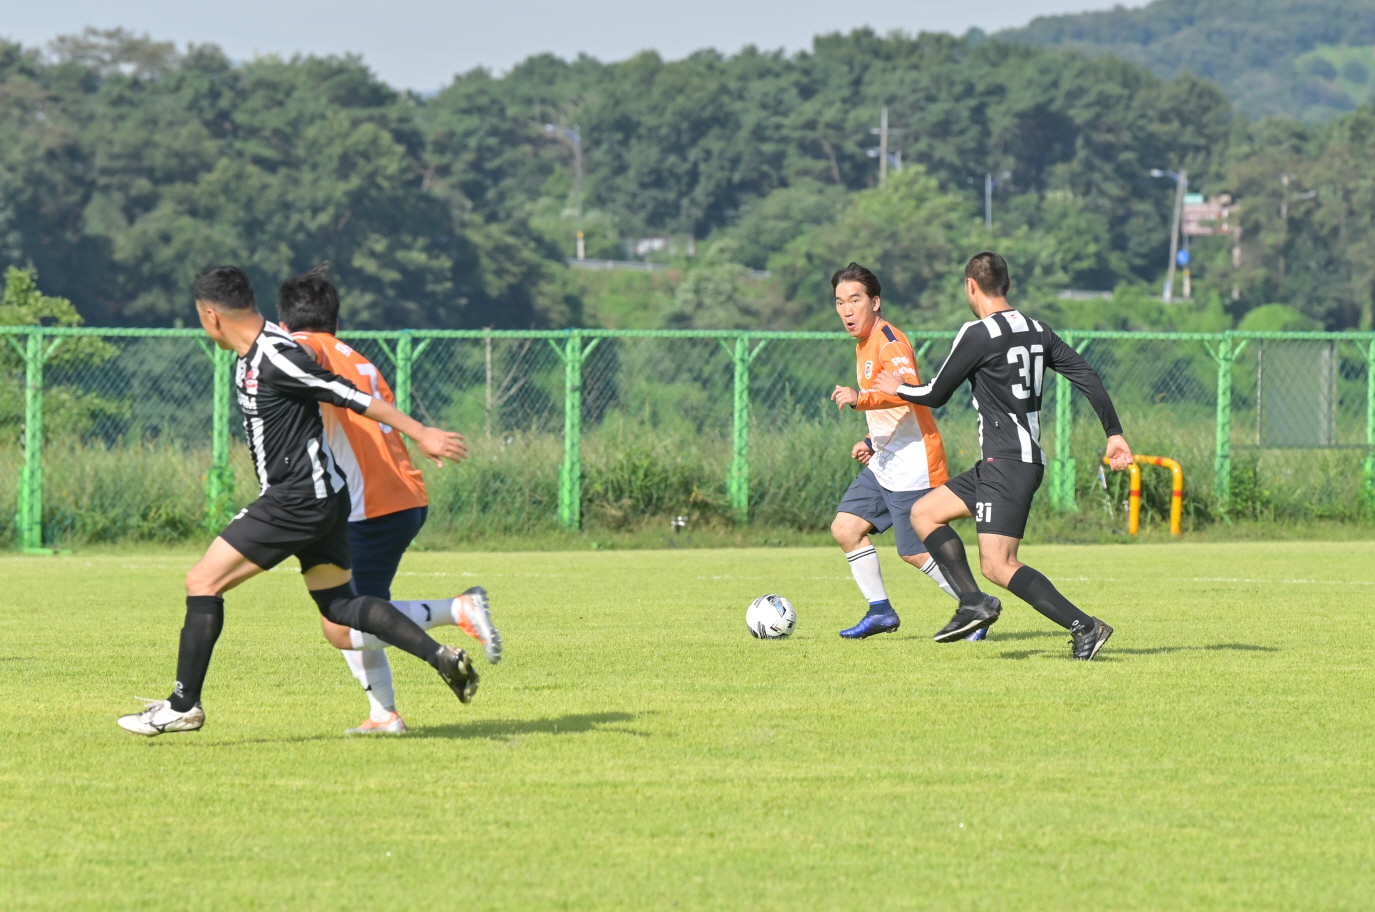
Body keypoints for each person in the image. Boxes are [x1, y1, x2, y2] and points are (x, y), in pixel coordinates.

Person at [118, 266, 478, 737]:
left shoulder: (276, 355)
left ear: (211, 316)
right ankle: (441, 657)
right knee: (340, 607)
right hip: (322, 499)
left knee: (203, 581)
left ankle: (183, 705)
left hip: (297, 499)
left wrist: (422, 432)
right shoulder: (256, 352)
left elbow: (350, 396)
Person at [873, 252, 1133, 660]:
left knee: (999, 564)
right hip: (1003, 463)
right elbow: (1086, 374)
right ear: (1007, 285)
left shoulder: (977, 334)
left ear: (970, 286)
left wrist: (898, 387)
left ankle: (1085, 626)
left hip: (1007, 465)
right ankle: (972, 603)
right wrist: (1114, 433)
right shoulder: (1038, 330)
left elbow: (936, 394)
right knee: (924, 514)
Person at [277, 265, 502, 736]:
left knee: (341, 623)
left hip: (369, 507)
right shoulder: (357, 358)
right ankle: (384, 715)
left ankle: (457, 610)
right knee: (359, 610)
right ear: (337, 321)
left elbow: (298, 358)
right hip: (396, 497)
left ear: (284, 326)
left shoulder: (303, 349)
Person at [827, 263, 961, 639]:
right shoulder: (864, 343)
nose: (847, 310)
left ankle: (975, 605)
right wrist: (871, 441)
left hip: (915, 462)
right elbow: (891, 407)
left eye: (855, 300)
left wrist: (860, 399)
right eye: (840, 302)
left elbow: (909, 390)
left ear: (875, 302)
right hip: (885, 460)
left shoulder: (890, 342)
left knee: (914, 551)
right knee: (846, 528)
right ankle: (881, 612)